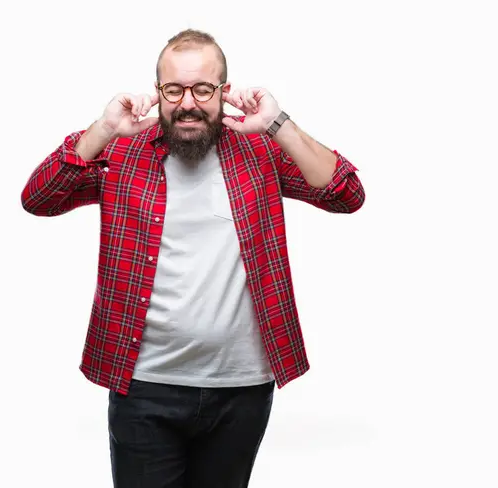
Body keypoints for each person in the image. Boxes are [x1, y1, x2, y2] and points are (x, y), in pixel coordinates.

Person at [21, 28, 365, 488]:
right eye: (174, 89)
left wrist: (278, 123)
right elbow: (38, 198)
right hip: (144, 385)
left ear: (223, 92)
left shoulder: (260, 149)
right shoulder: (122, 153)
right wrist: (102, 129)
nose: (187, 102)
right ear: (157, 91)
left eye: (203, 89)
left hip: (241, 386)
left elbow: (346, 194)